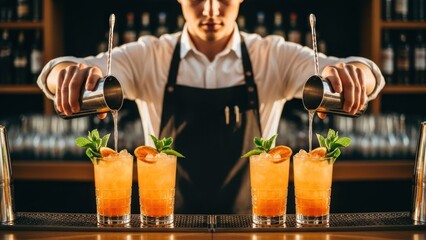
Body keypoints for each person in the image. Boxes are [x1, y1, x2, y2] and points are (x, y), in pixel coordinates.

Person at [37, 0, 385, 214]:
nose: (211, 10)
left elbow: (362, 72)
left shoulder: (273, 55)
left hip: (253, 225)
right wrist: (66, 75)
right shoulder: (149, 54)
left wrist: (353, 75)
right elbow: (62, 70)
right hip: (165, 225)